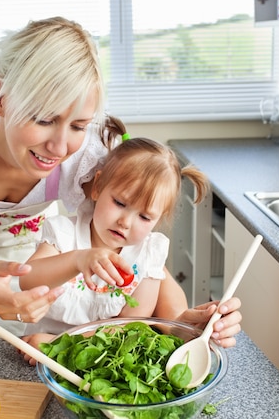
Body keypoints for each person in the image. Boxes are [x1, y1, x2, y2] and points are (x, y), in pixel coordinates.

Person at [0, 16, 242, 345]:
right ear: (1, 97)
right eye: (43, 119)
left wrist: (179, 323)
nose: (59, 147)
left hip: (44, 271)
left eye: (78, 125)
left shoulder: (89, 155)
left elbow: (138, 255)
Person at [19, 127, 208, 351]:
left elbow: (130, 326)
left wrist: (61, 346)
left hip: (97, 358)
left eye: (144, 217)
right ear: (98, 187)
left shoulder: (147, 256)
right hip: (34, 352)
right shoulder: (64, 234)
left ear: (156, 221)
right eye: (119, 203)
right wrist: (78, 260)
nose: (125, 222)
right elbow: (27, 281)